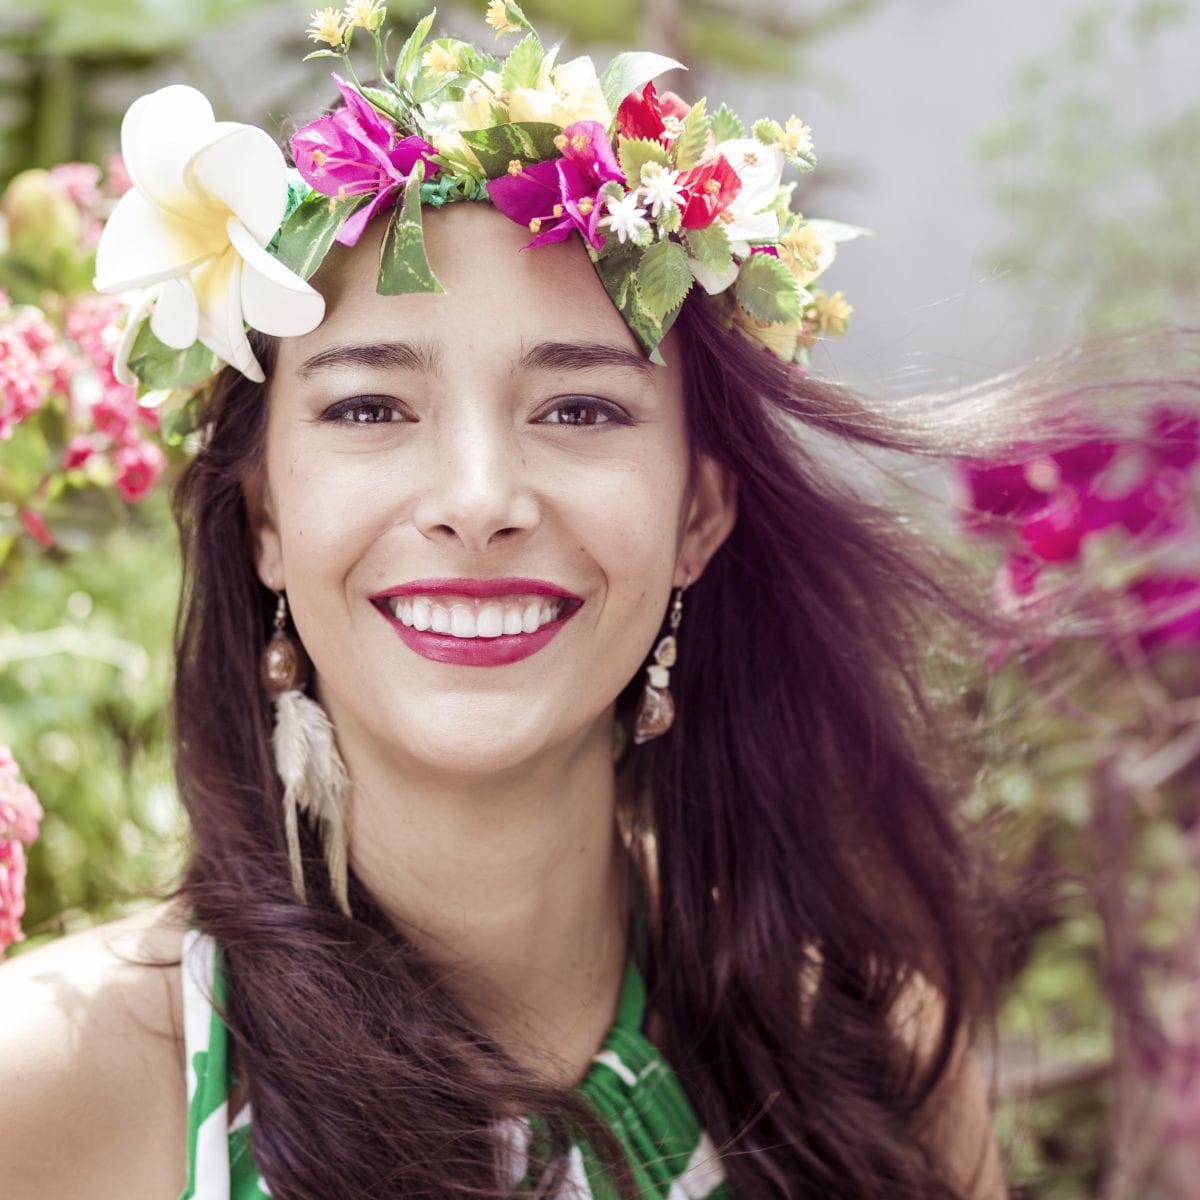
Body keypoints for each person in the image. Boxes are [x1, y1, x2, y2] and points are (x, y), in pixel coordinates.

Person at [0, 4, 1010, 1197]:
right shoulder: (57, 1084)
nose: (479, 503)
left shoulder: (860, 1051)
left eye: (580, 409)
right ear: (264, 517)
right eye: (371, 408)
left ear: (698, 517)